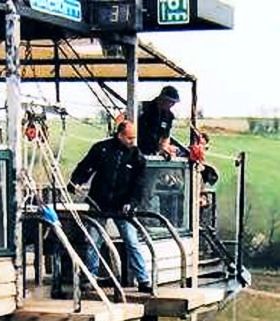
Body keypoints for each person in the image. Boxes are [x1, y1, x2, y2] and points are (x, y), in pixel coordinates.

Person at [68, 120, 152, 293]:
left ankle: (143, 279)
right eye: (129, 138)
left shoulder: (137, 157)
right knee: (93, 240)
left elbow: (140, 185)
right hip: (99, 202)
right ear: (119, 135)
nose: (132, 141)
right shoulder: (102, 149)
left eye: (134, 138)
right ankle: (90, 277)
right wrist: (76, 180)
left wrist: (132, 203)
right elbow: (86, 167)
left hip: (123, 205)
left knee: (132, 241)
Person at [137, 85, 189, 159]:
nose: (172, 105)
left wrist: (165, 148)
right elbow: (121, 120)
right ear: (162, 98)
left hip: (152, 153)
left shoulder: (169, 116)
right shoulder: (142, 107)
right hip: (136, 150)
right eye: (170, 101)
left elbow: (165, 136)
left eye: (174, 102)